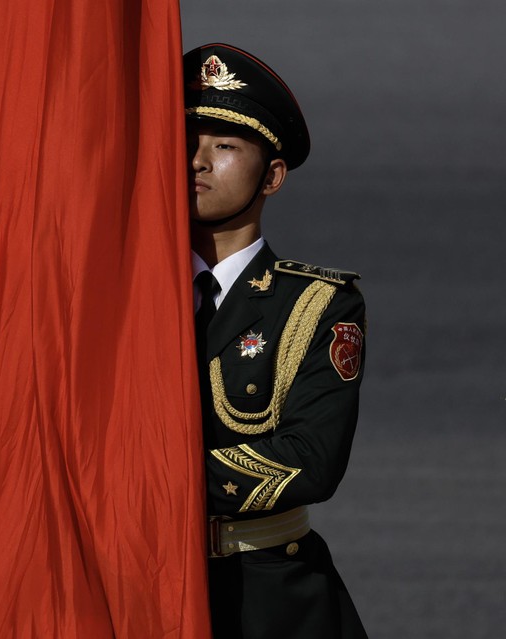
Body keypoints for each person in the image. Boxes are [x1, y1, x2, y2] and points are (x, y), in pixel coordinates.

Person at [184, 43, 368, 638]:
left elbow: (312, 463)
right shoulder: (109, 296)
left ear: (273, 175)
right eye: (187, 141)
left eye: (225, 146)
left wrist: (153, 476)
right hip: (136, 581)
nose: (197, 162)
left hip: (265, 595)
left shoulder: (317, 305)